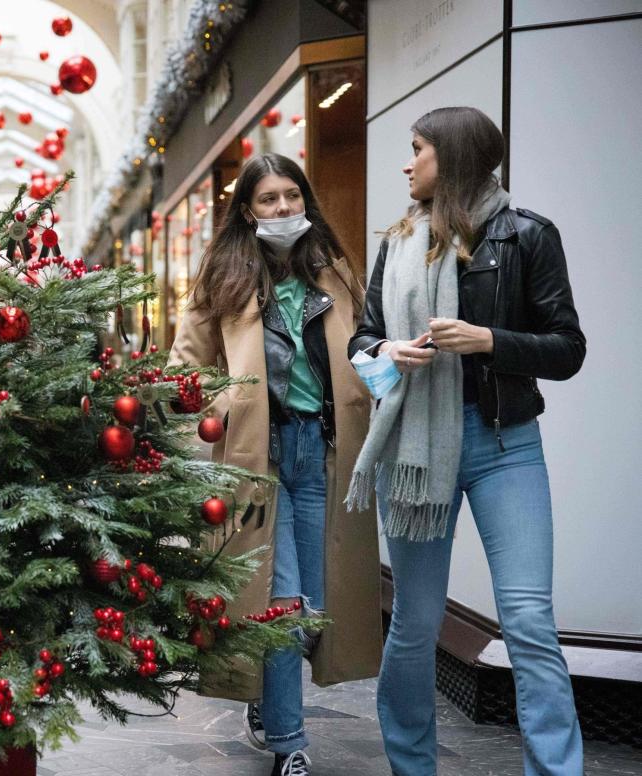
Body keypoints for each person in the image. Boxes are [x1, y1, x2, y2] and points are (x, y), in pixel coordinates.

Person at [347, 106, 585, 775]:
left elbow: (569, 348)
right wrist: (388, 348)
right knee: (416, 625)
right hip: (418, 452)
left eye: (416, 149)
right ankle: (411, 767)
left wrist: (489, 342)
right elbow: (361, 340)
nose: (407, 162)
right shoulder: (397, 243)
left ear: (449, 157)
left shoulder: (527, 235)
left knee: (530, 622)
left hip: (505, 445)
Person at [169, 153, 381, 776]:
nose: (284, 208)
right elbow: (187, 369)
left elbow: (362, 344)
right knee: (282, 603)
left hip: (323, 453)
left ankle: (266, 702)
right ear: (246, 210)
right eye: (269, 199)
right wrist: (227, 403)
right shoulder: (222, 280)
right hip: (257, 459)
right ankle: (291, 743)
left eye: (292, 196)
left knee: (315, 602)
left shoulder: (335, 274)